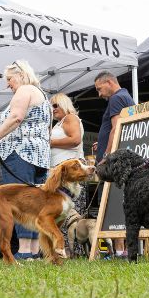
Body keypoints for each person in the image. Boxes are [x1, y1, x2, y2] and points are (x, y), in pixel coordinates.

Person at [0, 60, 51, 260]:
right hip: (39, 154)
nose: (8, 84)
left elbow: (16, 117)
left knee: (20, 202)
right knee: (34, 203)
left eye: (9, 79)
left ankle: (24, 250)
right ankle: (33, 250)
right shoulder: (41, 95)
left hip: (20, 153)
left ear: (21, 75)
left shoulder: (24, 89)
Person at [93, 71, 135, 256]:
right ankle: (123, 250)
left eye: (99, 89)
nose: (99, 94)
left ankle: (118, 250)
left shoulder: (116, 98)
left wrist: (107, 154)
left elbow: (117, 127)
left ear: (109, 82)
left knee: (110, 201)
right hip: (123, 160)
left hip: (113, 164)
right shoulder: (126, 96)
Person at [50, 93, 87, 253]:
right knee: (62, 212)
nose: (52, 110)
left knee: (69, 212)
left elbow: (75, 139)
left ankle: (73, 250)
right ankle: (64, 249)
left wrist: (50, 142)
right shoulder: (59, 123)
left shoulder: (70, 118)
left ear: (64, 104)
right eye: (50, 107)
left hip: (71, 172)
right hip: (62, 173)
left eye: (55, 105)